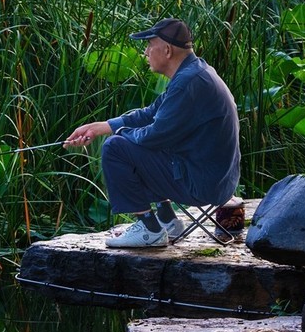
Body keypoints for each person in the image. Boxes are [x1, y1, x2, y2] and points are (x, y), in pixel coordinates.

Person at [64, 17, 240, 249]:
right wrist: (103, 127)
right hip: (216, 180)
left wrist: (119, 134)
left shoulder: (188, 83)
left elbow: (153, 135)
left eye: (149, 45)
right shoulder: (194, 72)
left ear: (167, 50)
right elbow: (151, 113)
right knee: (131, 144)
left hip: (204, 185)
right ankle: (167, 220)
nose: (145, 52)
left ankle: (149, 229)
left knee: (115, 148)